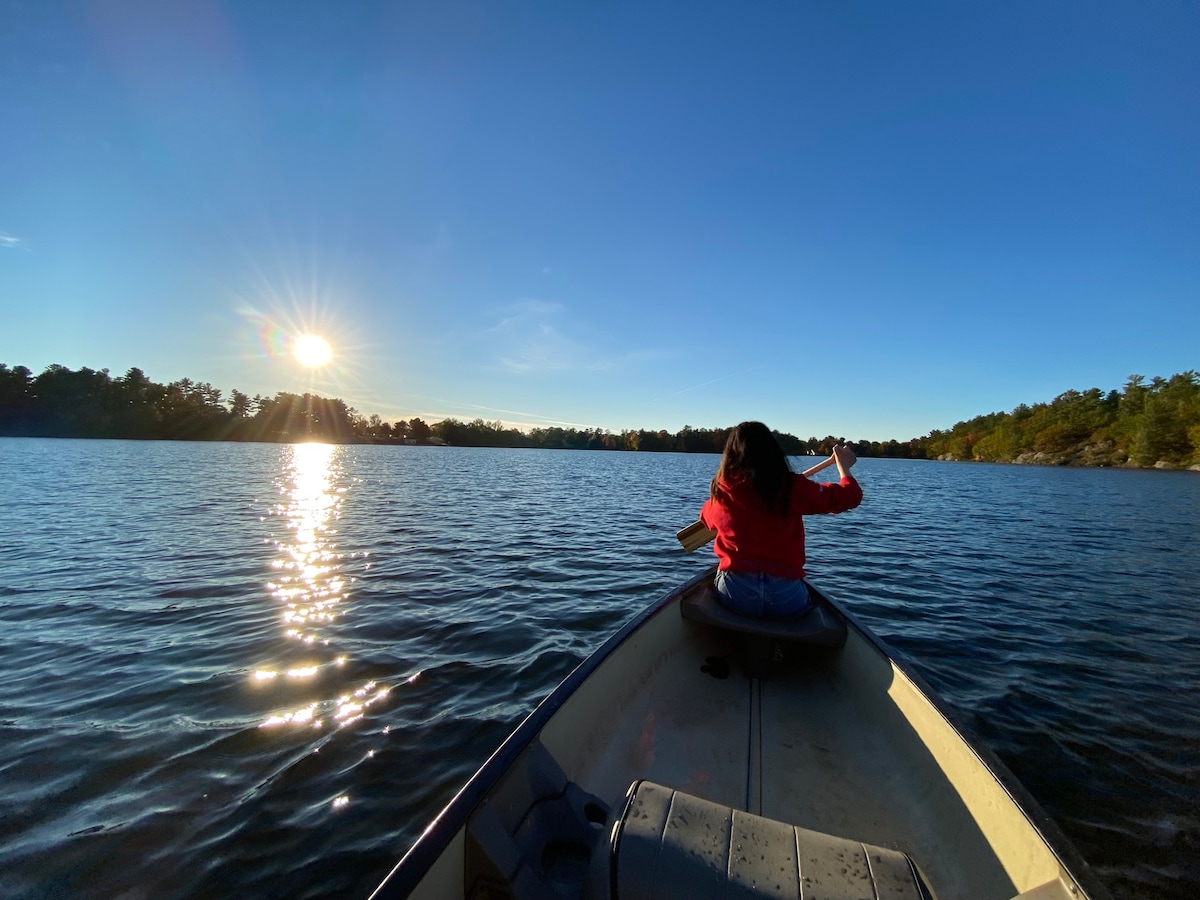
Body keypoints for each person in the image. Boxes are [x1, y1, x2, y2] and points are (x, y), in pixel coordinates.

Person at [699, 422, 862, 619]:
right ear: (773, 451)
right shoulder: (793, 488)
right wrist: (843, 467)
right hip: (785, 595)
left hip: (736, 592)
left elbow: (706, 521)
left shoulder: (721, 493)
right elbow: (850, 496)